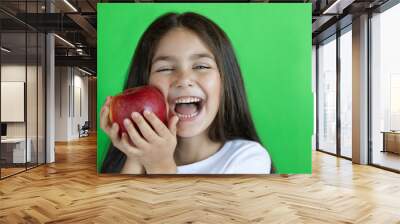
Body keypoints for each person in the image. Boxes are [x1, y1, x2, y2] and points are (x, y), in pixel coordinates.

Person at [100, 12, 272, 174]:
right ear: (144, 82)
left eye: (201, 66)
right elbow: (122, 206)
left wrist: (159, 164)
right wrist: (135, 154)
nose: (183, 79)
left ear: (225, 80)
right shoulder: (131, 162)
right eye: (165, 68)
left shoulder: (248, 158)